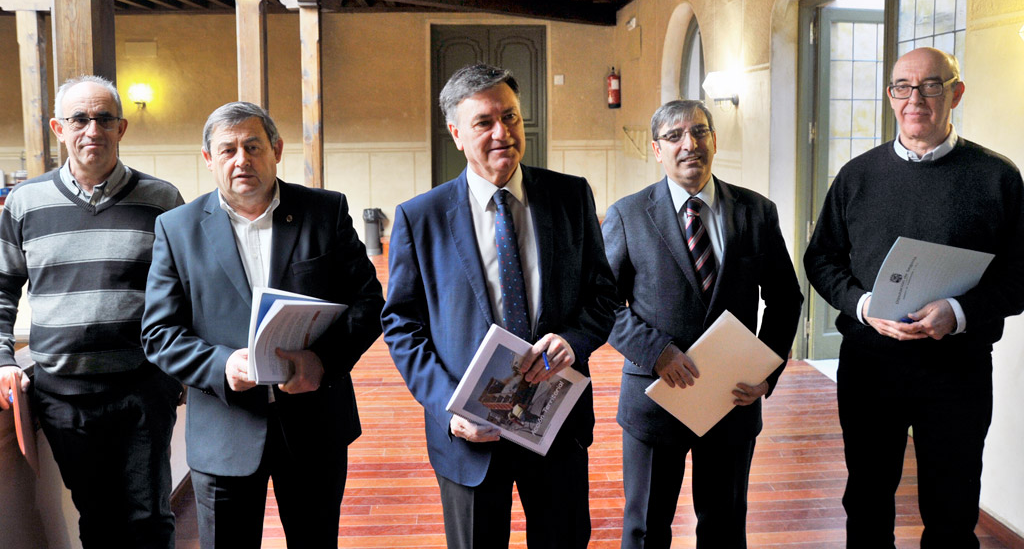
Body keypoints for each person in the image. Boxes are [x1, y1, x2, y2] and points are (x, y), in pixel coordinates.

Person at [381, 63, 618, 549]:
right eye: (484, 122)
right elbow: (402, 326)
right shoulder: (419, 217)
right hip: (470, 434)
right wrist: (449, 407)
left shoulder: (571, 196)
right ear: (456, 134)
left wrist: (573, 341)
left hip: (557, 422)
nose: (502, 133)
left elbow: (603, 294)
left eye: (510, 117)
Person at [804, 47, 1024, 549]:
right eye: (903, 86)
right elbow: (821, 260)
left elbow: (1020, 273)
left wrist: (961, 313)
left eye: (931, 85)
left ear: (956, 94)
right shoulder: (856, 176)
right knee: (866, 500)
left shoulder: (997, 177)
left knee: (951, 509)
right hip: (869, 368)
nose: (915, 98)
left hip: (958, 370)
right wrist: (864, 308)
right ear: (889, 97)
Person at [141, 102, 384, 548]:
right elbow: (159, 334)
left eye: (253, 146)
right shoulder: (177, 229)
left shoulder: (324, 212)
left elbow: (368, 302)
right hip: (224, 430)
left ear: (277, 149)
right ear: (208, 159)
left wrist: (322, 362)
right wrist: (221, 365)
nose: (242, 160)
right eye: (228, 149)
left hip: (315, 424)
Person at [603, 99, 803, 548]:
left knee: (726, 526)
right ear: (657, 149)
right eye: (674, 136)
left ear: (714, 139)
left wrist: (765, 371)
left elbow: (786, 298)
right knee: (646, 529)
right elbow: (602, 304)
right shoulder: (627, 215)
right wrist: (656, 351)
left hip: (733, 397)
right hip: (657, 399)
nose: (689, 144)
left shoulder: (757, 211)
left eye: (699, 132)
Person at [0, 75, 184, 548]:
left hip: (143, 387)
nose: (92, 130)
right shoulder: (24, 203)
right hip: (63, 395)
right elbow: (1, 290)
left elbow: (186, 292)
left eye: (104, 118)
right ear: (59, 127)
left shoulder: (161, 201)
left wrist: (177, 372)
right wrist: (3, 359)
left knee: (150, 519)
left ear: (121, 128)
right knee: (97, 518)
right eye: (80, 119)